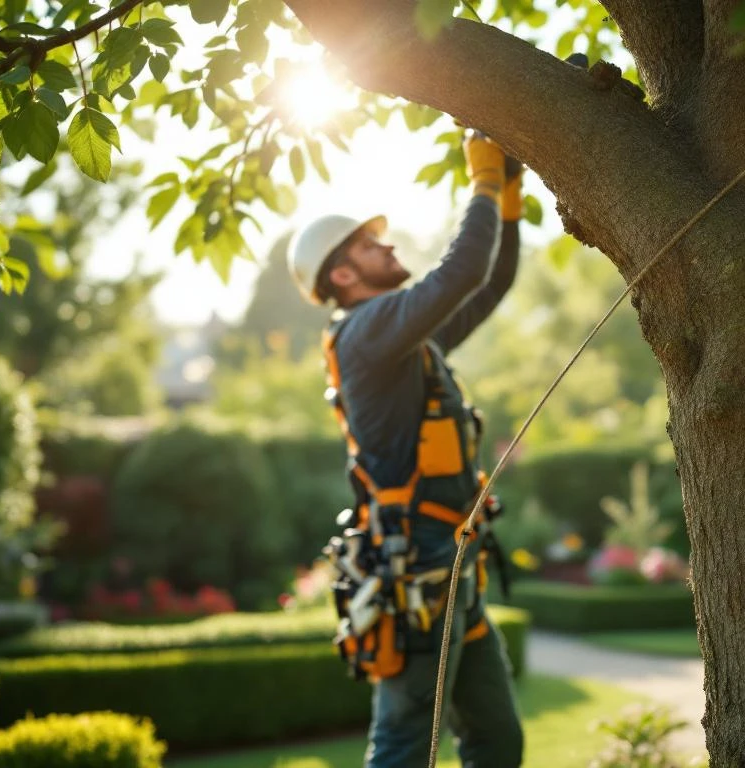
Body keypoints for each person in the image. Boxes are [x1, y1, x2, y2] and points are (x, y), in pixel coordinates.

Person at [288, 133, 524, 768]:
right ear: (342, 274)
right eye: (370, 245)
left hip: (452, 569)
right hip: (418, 575)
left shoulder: (404, 342)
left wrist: (507, 195)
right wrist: (480, 180)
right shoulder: (368, 333)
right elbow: (463, 271)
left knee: (497, 742)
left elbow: (491, 282)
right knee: (402, 749)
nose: (388, 245)